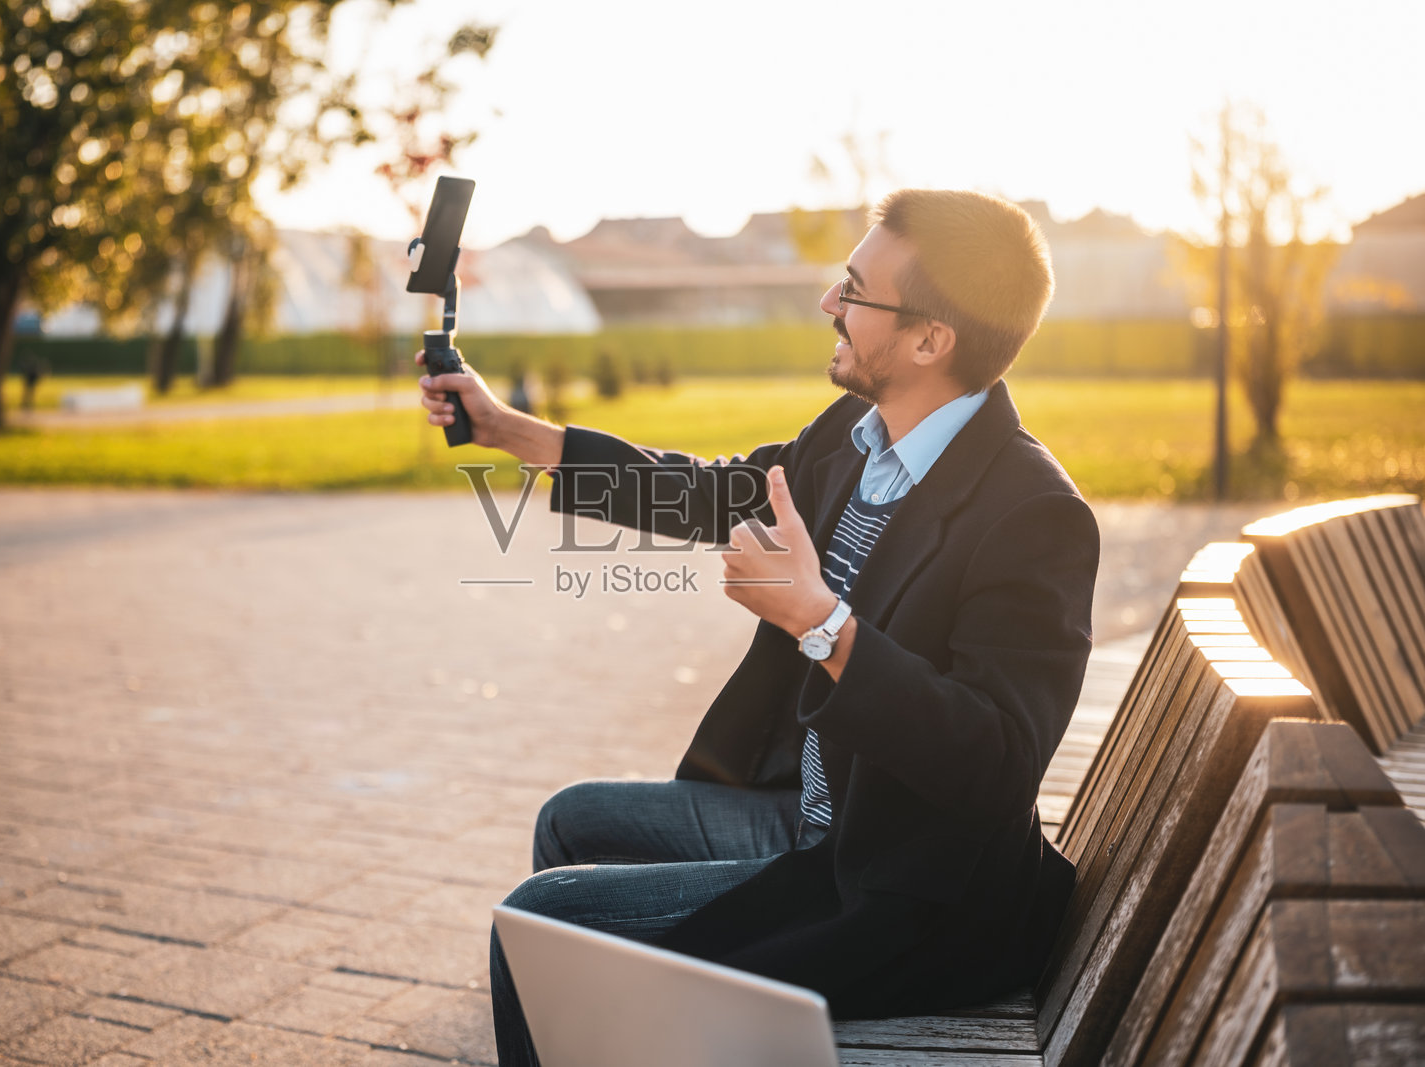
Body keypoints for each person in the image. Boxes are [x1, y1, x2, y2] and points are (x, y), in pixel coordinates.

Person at [418, 189, 1099, 1066]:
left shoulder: (1031, 513)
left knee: (538, 922)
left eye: (854, 291)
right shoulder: (858, 431)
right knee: (572, 824)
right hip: (809, 813)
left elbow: (996, 761)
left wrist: (824, 627)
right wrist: (514, 432)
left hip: (898, 885)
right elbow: (713, 491)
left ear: (932, 339)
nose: (830, 305)